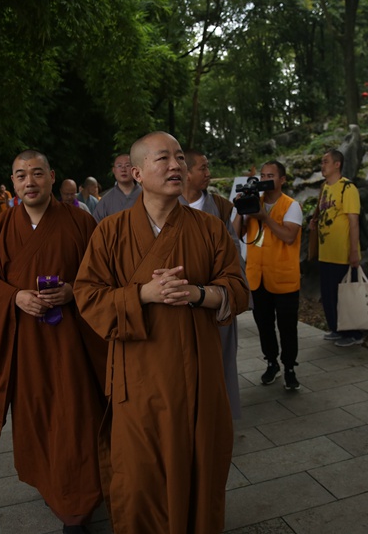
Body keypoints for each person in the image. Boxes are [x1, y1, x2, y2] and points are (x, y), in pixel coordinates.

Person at [74, 131, 250, 533]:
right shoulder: (110, 232)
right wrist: (143, 295)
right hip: (139, 381)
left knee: (200, 472)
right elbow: (88, 297)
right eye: (162, 159)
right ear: (136, 172)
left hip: (198, 379)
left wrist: (198, 293)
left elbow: (239, 290)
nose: (175, 166)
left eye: (179, 159)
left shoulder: (209, 228)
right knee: (140, 479)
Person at [0, 150, 107, 533]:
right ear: (13, 184)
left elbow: (104, 276)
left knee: (77, 416)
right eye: (20, 176)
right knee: (38, 416)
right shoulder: (0, 228)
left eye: (36, 173)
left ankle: (78, 506)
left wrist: (74, 291)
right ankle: (51, 483)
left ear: (51, 177)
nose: (29, 182)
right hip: (25, 344)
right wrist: (14, 297)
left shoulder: (81, 221)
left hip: (72, 344)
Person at [179, 149, 245, 419]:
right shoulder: (168, 206)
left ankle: (222, 413)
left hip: (216, 298)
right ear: (187, 173)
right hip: (181, 300)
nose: (208, 174)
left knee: (222, 359)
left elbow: (234, 250)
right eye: (203, 168)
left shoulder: (218, 206)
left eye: (208, 168)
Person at [233, 161, 303, 391]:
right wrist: (240, 209)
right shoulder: (255, 203)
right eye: (262, 175)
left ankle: (290, 368)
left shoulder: (291, 206)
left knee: (287, 327)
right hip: (257, 277)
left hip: (284, 278)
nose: (264, 179)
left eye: (270, 175)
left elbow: (289, 237)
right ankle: (271, 363)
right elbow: (235, 234)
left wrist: (264, 217)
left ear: (282, 179)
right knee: (264, 325)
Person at [310, 149, 363, 347]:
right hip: (326, 253)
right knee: (330, 294)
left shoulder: (347, 188)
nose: (322, 166)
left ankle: (354, 334)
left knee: (347, 296)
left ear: (337, 164)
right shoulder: (324, 188)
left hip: (343, 254)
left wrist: (354, 251)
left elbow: (353, 221)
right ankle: (337, 329)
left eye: (325, 162)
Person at [92, 154, 141, 222]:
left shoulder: (147, 195)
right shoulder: (105, 201)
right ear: (114, 170)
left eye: (127, 165)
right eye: (119, 166)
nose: (123, 169)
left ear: (134, 170)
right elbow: (96, 227)